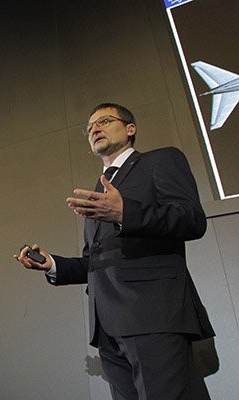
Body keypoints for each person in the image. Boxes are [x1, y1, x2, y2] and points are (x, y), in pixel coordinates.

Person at [14, 103, 214, 400]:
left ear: (130, 128)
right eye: (89, 127)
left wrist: (125, 213)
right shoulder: (100, 190)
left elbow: (192, 220)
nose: (94, 129)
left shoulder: (160, 160)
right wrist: (53, 264)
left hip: (152, 313)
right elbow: (94, 261)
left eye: (105, 121)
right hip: (107, 325)